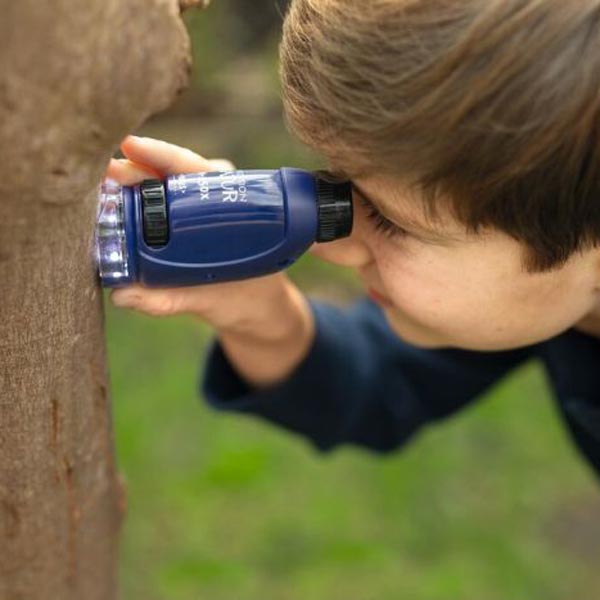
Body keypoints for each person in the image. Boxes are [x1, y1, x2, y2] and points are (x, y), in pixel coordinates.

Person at [107, 0, 600, 479]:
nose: (333, 246)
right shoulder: (546, 290)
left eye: (391, 223)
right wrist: (261, 314)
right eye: (335, 187)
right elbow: (383, 384)